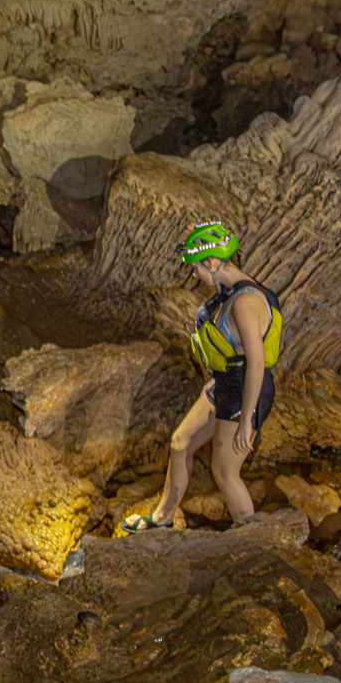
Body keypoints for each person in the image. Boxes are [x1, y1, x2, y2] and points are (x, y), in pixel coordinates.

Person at [121, 220, 280, 531]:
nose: (194, 275)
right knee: (181, 442)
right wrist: (220, 375)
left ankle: (251, 537)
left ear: (211, 262)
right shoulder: (229, 292)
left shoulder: (245, 302)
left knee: (223, 470)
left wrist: (247, 419)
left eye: (196, 268)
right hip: (226, 382)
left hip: (245, 391)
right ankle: (162, 518)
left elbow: (257, 362)